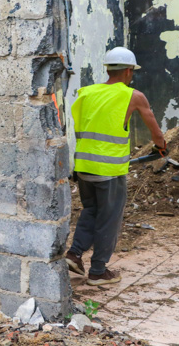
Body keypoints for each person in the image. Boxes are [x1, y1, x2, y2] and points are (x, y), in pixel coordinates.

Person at [65, 47, 167, 286]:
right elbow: (155, 130)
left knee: (91, 211)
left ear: (108, 69)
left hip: (83, 166)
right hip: (109, 171)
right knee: (109, 219)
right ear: (129, 71)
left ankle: (74, 254)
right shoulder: (133, 96)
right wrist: (161, 147)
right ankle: (98, 271)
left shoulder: (86, 93)